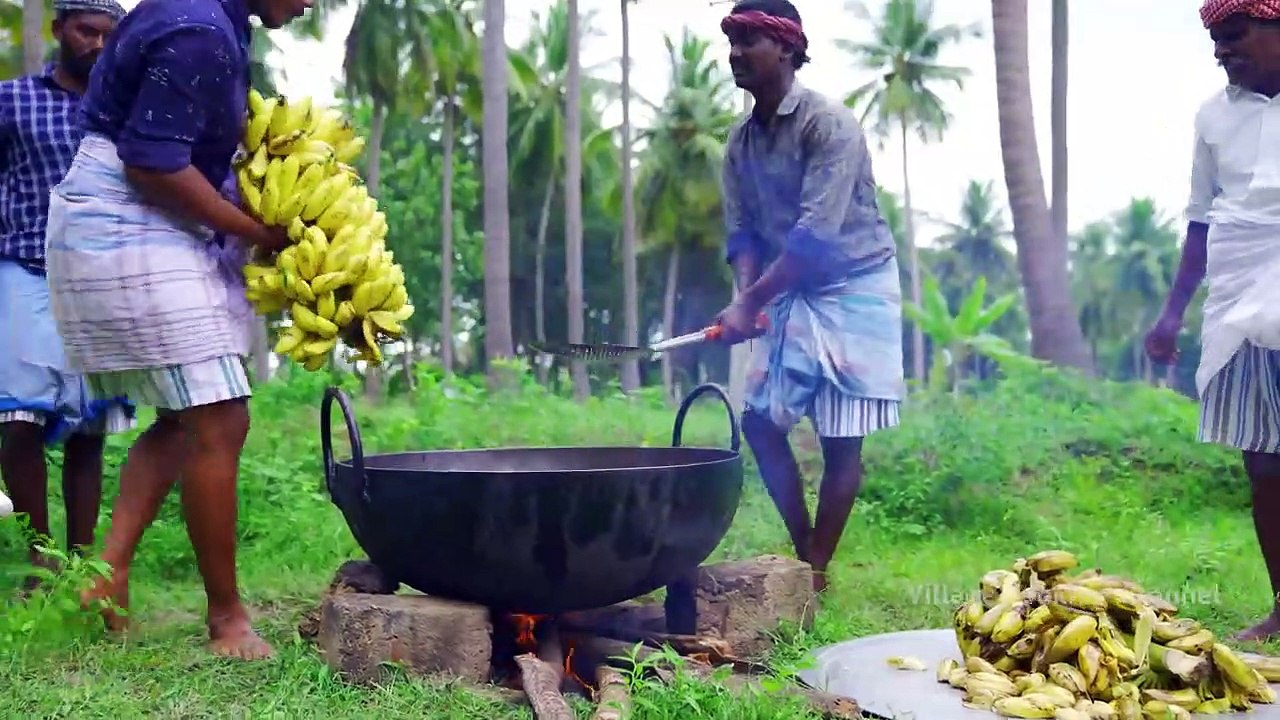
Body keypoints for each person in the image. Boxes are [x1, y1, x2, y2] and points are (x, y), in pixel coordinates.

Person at [43, 0, 308, 660]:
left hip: (144, 217)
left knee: (182, 418)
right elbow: (152, 162)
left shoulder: (213, 22)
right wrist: (256, 232)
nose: (310, 4)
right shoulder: (198, 28)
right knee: (220, 415)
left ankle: (105, 577)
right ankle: (227, 620)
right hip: (126, 216)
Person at [714, 0, 906, 593]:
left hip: (856, 282)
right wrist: (747, 297)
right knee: (760, 424)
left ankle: (815, 572)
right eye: (732, 40)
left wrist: (750, 304)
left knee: (840, 439)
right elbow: (742, 234)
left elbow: (813, 240)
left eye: (749, 40)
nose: (735, 53)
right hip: (787, 284)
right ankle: (806, 557)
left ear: (788, 50)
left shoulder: (830, 124)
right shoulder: (739, 142)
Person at [1147, 0, 1280, 642]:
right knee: (1265, 463)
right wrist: (1171, 314)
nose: (1223, 51)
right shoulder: (1212, 116)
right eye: (1216, 41)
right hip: (1240, 295)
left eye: (1235, 36)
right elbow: (1200, 218)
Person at [0, 0, 132, 588]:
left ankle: (79, 566)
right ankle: (40, 558)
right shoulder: (12, 100)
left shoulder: (125, 107)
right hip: (23, 263)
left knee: (88, 426)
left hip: (100, 275)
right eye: (85, 31)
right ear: (59, 30)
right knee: (20, 415)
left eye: (108, 35)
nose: (97, 45)